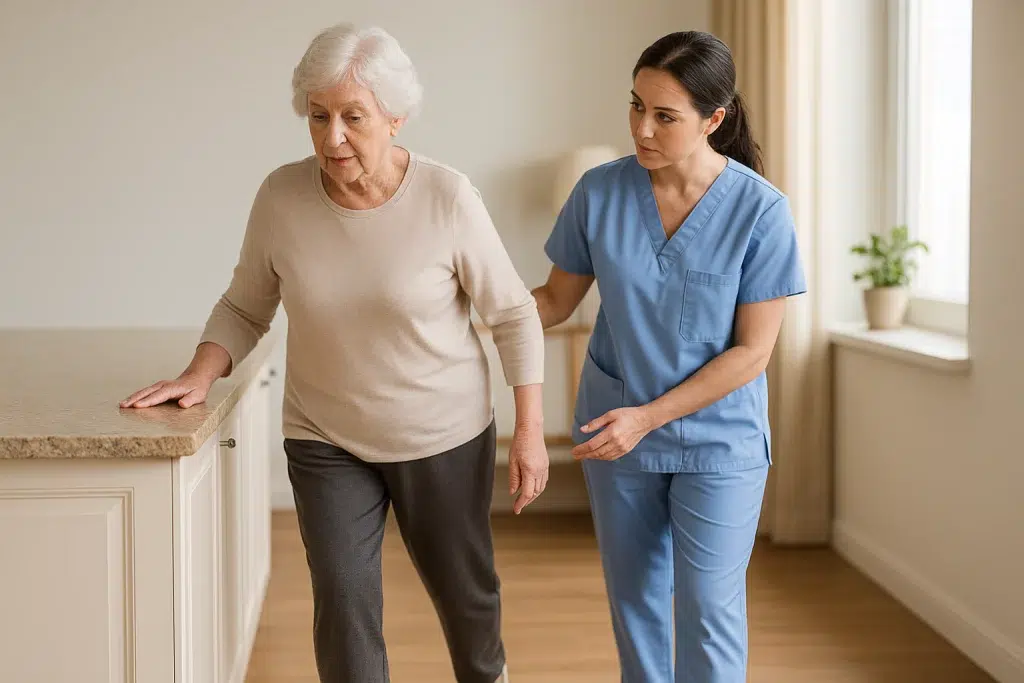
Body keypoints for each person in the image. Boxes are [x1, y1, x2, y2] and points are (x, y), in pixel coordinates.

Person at [120, 22, 548, 683]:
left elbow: (515, 314)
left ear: (396, 117)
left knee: (466, 597)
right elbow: (244, 306)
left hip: (443, 433)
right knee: (344, 598)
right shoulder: (281, 197)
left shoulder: (448, 198)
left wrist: (529, 430)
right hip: (326, 436)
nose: (333, 136)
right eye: (318, 117)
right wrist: (199, 373)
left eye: (354, 116)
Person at [532, 30, 806, 683]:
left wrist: (648, 415)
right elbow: (553, 300)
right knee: (637, 608)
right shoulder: (598, 193)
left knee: (710, 610)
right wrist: (460, 309)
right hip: (615, 433)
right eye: (636, 106)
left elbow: (751, 353)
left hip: (718, 440)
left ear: (714, 119)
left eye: (664, 115)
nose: (641, 128)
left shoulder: (761, 212)